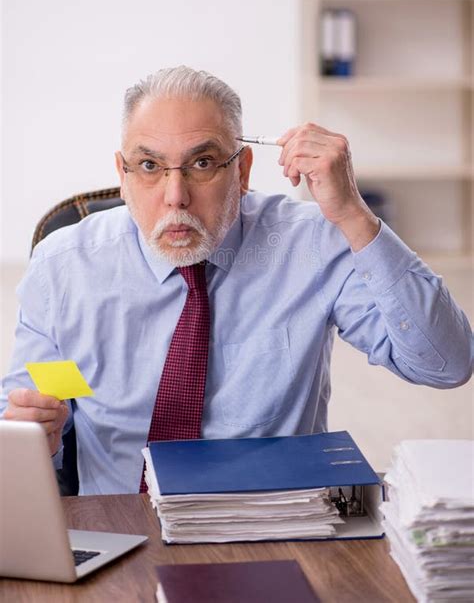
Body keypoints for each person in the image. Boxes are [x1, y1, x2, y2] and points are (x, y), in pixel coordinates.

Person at [1, 66, 472, 495]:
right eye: (149, 167)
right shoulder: (64, 267)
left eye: (202, 163)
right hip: (124, 528)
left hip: (275, 517)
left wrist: (353, 214)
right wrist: (32, 433)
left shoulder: (309, 243)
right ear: (122, 175)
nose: (175, 196)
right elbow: (26, 422)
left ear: (242, 170)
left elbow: (445, 365)